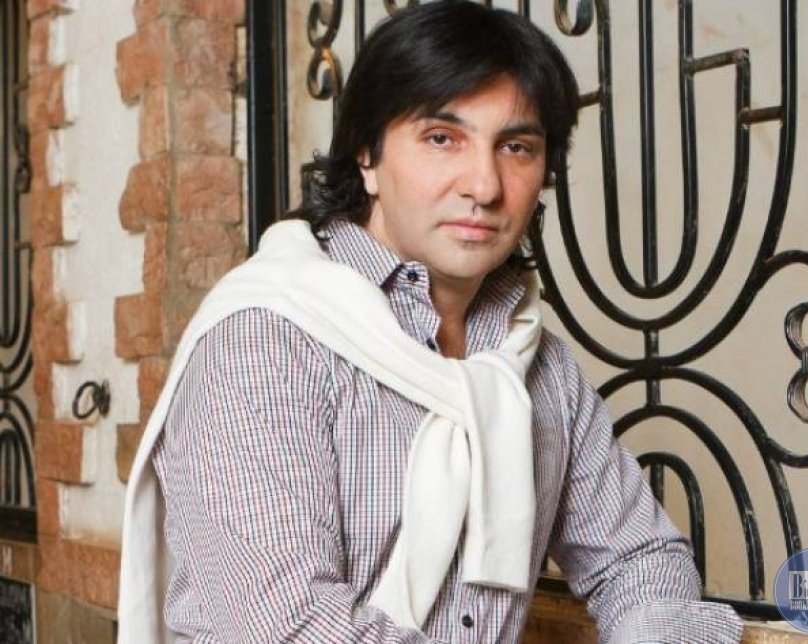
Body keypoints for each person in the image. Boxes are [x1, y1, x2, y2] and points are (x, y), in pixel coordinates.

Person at [118, 2, 744, 642]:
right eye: (443, 138)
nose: (485, 186)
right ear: (367, 154)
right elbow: (290, 626)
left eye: (516, 147)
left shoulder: (536, 365)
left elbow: (640, 560)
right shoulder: (265, 339)